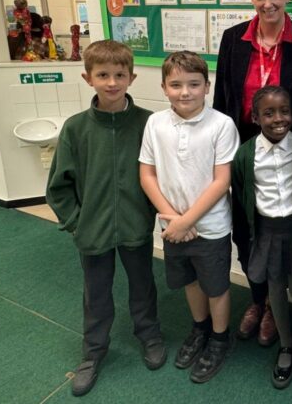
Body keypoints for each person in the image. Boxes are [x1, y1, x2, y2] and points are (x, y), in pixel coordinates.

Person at [214, 0, 292, 347]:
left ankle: (284, 306)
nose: (267, 3)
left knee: (286, 231)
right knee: (248, 230)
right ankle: (260, 301)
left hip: (291, 155)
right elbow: (222, 100)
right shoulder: (232, 40)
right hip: (246, 154)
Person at [46, 40, 166, 397]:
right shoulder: (75, 128)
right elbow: (58, 186)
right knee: (96, 294)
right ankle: (94, 352)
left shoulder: (149, 123)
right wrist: (75, 222)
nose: (111, 83)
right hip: (92, 231)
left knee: (143, 286)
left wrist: (153, 213)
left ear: (131, 76)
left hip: (136, 227)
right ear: (88, 78)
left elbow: (163, 173)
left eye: (119, 75)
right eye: (102, 75)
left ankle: (150, 335)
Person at [139, 51, 240, 384]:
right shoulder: (155, 123)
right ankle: (200, 330)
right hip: (172, 225)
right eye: (176, 84)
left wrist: (187, 220)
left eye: (194, 84)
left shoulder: (222, 125)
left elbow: (221, 180)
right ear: (164, 87)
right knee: (190, 280)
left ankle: (220, 338)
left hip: (210, 227)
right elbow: (148, 175)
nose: (186, 92)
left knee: (216, 286)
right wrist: (171, 218)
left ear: (207, 86)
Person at [231, 86, 292, 389]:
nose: (278, 118)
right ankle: (287, 343)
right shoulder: (245, 155)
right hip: (268, 230)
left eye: (284, 111)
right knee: (276, 289)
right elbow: (242, 196)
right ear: (255, 117)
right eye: (268, 113)